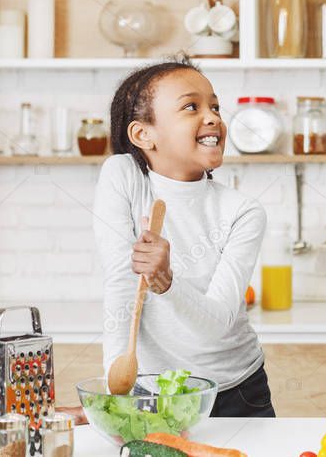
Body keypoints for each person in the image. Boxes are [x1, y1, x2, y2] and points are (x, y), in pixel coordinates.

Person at [93, 57, 274, 417]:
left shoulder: (242, 212)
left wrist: (166, 282)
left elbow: (218, 324)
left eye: (215, 106)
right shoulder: (124, 177)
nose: (213, 118)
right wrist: (118, 383)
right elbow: (120, 283)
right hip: (151, 391)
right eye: (191, 106)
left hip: (235, 393)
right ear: (143, 134)